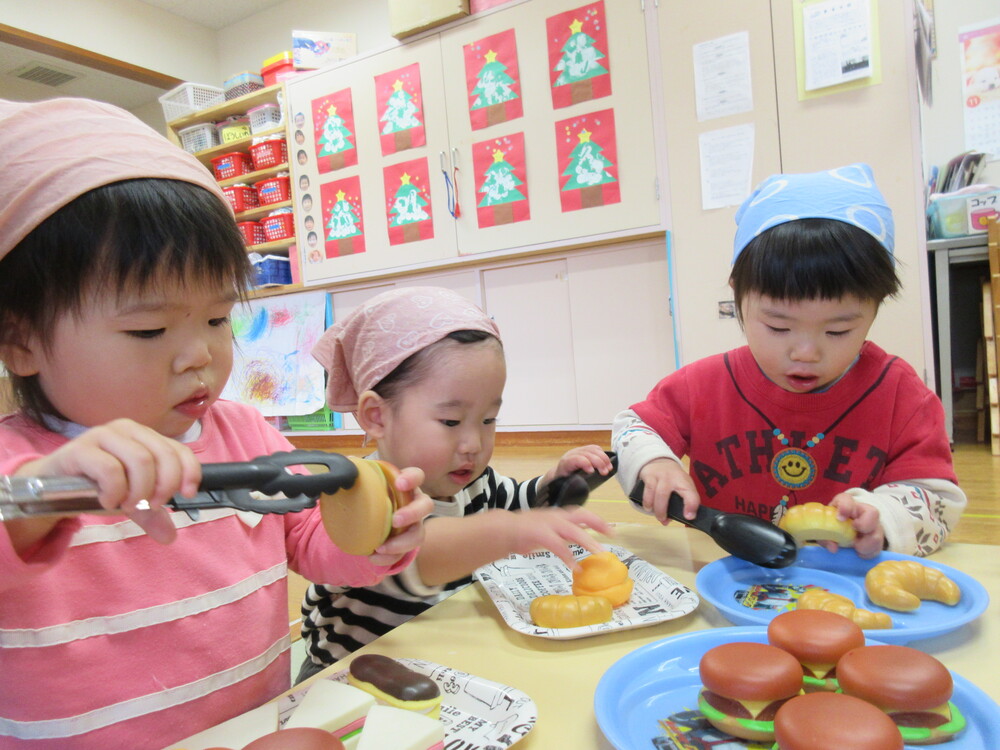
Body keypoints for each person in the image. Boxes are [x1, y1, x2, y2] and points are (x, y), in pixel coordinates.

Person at [0, 97, 433, 750]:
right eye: (149, 328)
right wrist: (47, 491)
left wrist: (375, 537)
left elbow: (314, 543)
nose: (200, 353)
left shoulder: (245, 434)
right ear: (22, 341)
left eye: (216, 319)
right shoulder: (20, 471)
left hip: (248, 732)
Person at [613, 163, 966, 559]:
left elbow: (935, 497)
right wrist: (656, 462)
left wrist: (884, 516)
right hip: (725, 577)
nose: (805, 353)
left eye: (838, 332)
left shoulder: (900, 394)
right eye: (778, 327)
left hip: (846, 587)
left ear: (876, 306)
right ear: (738, 296)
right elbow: (635, 427)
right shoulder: (705, 385)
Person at [297, 286, 615, 680]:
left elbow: (515, 501)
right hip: (350, 677)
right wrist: (507, 532)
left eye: (488, 420)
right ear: (377, 416)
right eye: (450, 422)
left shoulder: (471, 480)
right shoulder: (367, 496)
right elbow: (421, 557)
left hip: (436, 657)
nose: (473, 444)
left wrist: (552, 483)